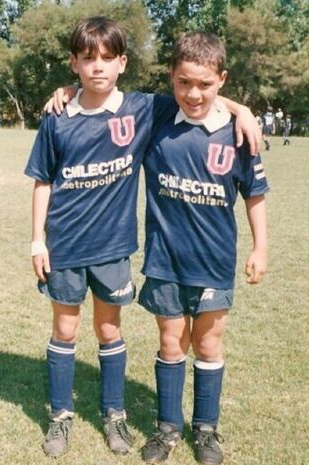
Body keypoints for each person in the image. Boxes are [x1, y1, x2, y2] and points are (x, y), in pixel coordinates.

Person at [30, 16, 261, 460]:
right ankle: (60, 416)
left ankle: (114, 415)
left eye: (106, 58)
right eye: (86, 58)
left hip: (113, 248)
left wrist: (241, 109)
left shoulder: (142, 108)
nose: (97, 67)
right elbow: (42, 180)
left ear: (122, 62)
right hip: (63, 246)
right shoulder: (59, 115)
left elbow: (195, 91)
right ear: (74, 64)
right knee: (64, 328)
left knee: (109, 328)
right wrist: (36, 241)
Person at [137, 31, 269, 465]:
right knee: (171, 342)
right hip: (165, 260)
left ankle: (206, 430)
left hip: (213, 261)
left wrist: (260, 248)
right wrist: (67, 90)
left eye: (205, 84)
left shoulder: (237, 133)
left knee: (209, 346)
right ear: (171, 79)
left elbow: (254, 194)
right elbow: (105, 92)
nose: (193, 93)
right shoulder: (157, 115)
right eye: (183, 83)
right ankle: (168, 428)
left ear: (222, 79)